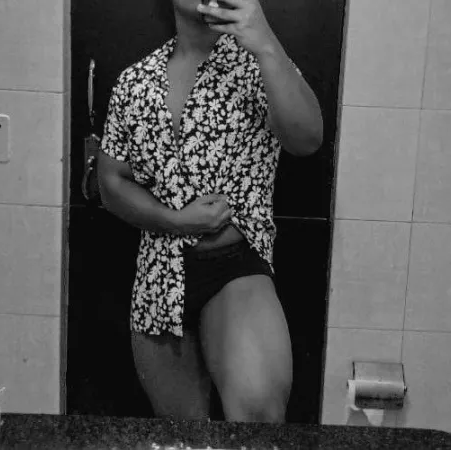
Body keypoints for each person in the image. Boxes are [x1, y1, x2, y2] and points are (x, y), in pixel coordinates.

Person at [97, 0, 323, 423]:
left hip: (235, 264)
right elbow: (111, 182)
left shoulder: (258, 64)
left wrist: (266, 43)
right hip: (159, 274)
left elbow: (307, 139)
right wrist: (174, 220)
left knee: (258, 419)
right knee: (182, 436)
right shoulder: (135, 81)